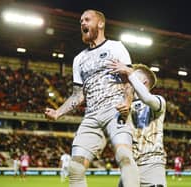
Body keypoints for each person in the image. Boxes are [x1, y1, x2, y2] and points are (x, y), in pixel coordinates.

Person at [45, 9, 139, 187]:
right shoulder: (79, 59)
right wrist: (58, 112)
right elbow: (78, 94)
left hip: (115, 111)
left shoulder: (116, 47)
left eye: (87, 20)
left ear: (100, 24)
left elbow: (128, 80)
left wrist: (127, 102)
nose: (82, 23)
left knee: (124, 157)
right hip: (91, 117)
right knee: (75, 168)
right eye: (80, 21)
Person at [107, 62, 167, 187]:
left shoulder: (158, 100)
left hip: (151, 164)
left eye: (133, 76)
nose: (129, 80)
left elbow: (147, 98)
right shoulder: (122, 105)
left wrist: (129, 73)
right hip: (129, 166)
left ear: (144, 82)